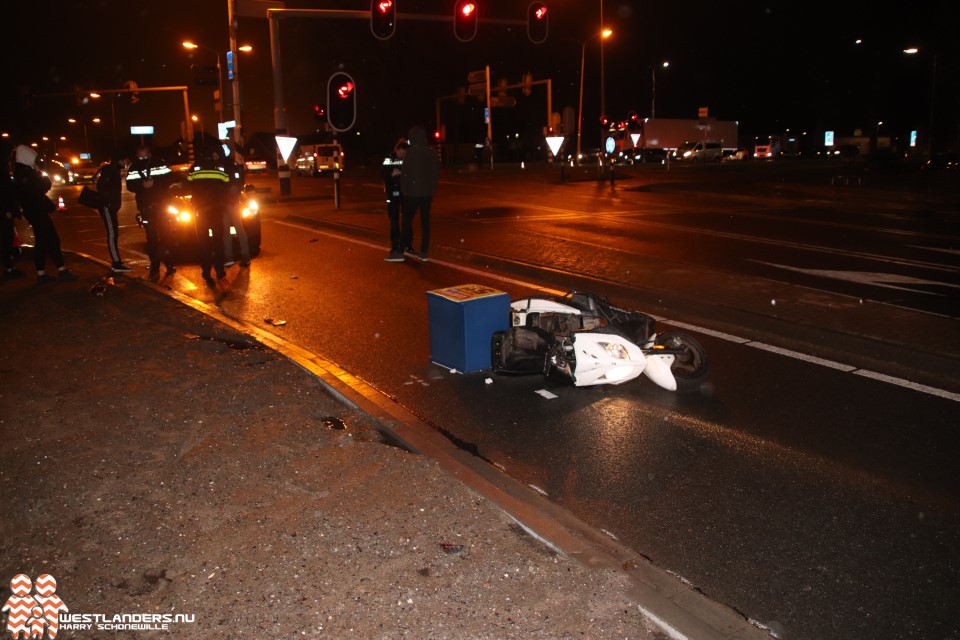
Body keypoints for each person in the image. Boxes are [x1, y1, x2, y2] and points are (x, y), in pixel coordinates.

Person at [11, 145, 77, 283]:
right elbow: (45, 184)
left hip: (33, 211)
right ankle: (58, 270)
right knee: (50, 240)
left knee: (43, 242)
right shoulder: (26, 173)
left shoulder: (19, 173)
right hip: (37, 211)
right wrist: (38, 172)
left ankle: (44, 272)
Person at [126, 144, 175, 278]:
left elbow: (170, 179)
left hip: (161, 205)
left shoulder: (160, 163)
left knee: (166, 236)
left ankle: (169, 263)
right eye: (140, 156)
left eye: (145, 155)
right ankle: (155, 266)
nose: (143, 158)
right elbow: (130, 185)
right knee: (152, 238)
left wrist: (155, 184)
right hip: (146, 207)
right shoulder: (133, 167)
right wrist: (142, 185)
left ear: (150, 153)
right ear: (137, 155)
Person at [187, 145, 231, 282]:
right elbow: (227, 186)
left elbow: (187, 185)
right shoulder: (220, 168)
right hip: (216, 210)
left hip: (200, 211)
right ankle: (219, 270)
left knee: (204, 242)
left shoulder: (194, 168)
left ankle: (206, 272)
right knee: (218, 241)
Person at [400, 125, 440, 262]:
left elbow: (405, 173)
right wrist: (431, 188)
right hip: (427, 194)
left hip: (412, 193)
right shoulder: (431, 152)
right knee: (425, 222)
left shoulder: (411, 153)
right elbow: (435, 173)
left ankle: (402, 247)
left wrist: (404, 189)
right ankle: (424, 251)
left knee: (406, 221)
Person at [96, 150, 132, 272]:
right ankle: (116, 263)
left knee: (114, 234)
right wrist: (109, 203)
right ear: (118, 160)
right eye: (123, 160)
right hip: (107, 207)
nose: (125, 163)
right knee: (112, 234)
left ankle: (117, 261)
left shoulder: (113, 171)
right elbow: (101, 188)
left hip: (110, 207)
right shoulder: (110, 171)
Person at [219, 143, 249, 269]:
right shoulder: (232, 165)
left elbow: (232, 185)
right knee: (237, 229)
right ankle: (244, 257)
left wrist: (228, 200)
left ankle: (230, 258)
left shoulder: (224, 166)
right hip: (230, 203)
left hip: (227, 203)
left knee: (228, 231)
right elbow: (239, 184)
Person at [1, 140, 25, 278]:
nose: (12, 155)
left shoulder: (5, 166)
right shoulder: (2, 168)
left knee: (6, 239)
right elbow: (4, 192)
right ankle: (8, 269)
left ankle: (9, 266)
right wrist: (7, 210)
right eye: (10, 152)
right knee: (6, 239)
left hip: (5, 211)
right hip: (4, 213)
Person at [382, 138, 408, 262]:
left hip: (404, 193)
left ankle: (407, 244)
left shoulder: (407, 159)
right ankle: (395, 246)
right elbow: (382, 174)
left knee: (406, 220)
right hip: (392, 193)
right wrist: (391, 174)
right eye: (401, 153)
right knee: (394, 220)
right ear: (397, 150)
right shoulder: (389, 159)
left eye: (404, 154)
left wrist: (402, 173)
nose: (402, 156)